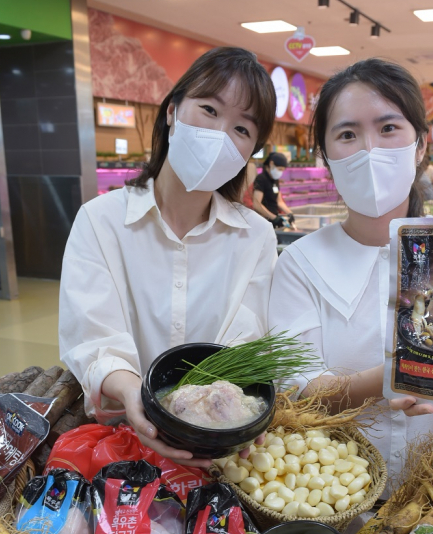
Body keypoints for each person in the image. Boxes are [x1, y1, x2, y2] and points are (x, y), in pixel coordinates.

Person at [268, 58, 433, 484]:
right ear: (326, 154)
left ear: (421, 145)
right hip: (340, 491)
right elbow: (297, 389)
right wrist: (396, 377)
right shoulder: (300, 262)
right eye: (347, 134)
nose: (368, 149)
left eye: (388, 128)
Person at [60, 47, 277, 466]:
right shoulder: (100, 221)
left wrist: (226, 418)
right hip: (119, 443)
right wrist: (133, 396)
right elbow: (92, 335)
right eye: (209, 110)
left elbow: (248, 341)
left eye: (242, 129)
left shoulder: (257, 237)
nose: (220, 134)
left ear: (251, 150)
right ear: (173, 111)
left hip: (217, 445)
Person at [253, 152, 295, 227]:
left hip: (273, 220)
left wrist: (289, 213)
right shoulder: (261, 179)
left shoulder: (275, 180)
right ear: (271, 164)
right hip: (264, 221)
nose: (280, 173)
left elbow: (279, 201)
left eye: (282, 170)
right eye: (279, 169)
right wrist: (274, 218)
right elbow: (257, 204)